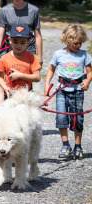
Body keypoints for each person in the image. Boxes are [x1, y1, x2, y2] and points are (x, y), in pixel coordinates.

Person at [44, 24, 92, 160]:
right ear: (67, 40)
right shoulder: (59, 54)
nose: (78, 46)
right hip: (61, 90)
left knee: (77, 119)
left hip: (77, 91)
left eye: (80, 43)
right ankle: (66, 145)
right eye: (75, 43)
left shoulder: (84, 54)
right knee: (61, 117)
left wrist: (87, 82)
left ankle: (78, 146)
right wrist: (47, 84)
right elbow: (51, 70)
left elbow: (89, 72)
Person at [0, 0, 43, 105]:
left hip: (28, 49)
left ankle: (25, 105)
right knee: (3, 82)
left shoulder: (33, 10)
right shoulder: (5, 11)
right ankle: (2, 111)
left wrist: (40, 58)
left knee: (24, 80)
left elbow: (38, 35)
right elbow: (0, 34)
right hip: (10, 49)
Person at [0, 24, 41, 98]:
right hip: (10, 95)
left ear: (28, 42)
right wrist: (5, 87)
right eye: (15, 42)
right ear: (10, 40)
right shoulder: (4, 58)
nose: (18, 45)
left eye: (22, 43)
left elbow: (37, 77)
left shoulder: (31, 57)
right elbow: (0, 77)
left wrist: (20, 75)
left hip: (26, 95)